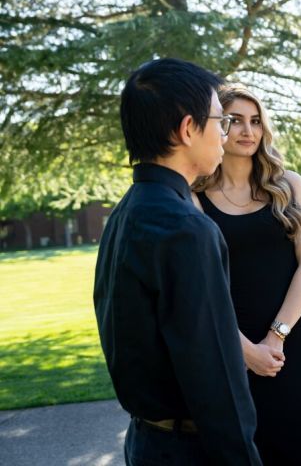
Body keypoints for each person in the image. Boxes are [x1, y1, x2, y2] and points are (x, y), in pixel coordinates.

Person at [93, 58, 261, 465]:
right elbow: (216, 375)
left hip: (145, 443)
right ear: (188, 129)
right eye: (221, 121)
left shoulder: (125, 214)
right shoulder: (187, 229)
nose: (224, 136)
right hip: (191, 452)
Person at [192, 83, 301, 464]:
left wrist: (274, 339)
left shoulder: (289, 185)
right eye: (234, 121)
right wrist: (245, 350)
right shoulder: (194, 195)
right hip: (228, 350)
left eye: (255, 121)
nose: (247, 131)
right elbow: (201, 287)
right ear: (216, 125)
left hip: (293, 348)